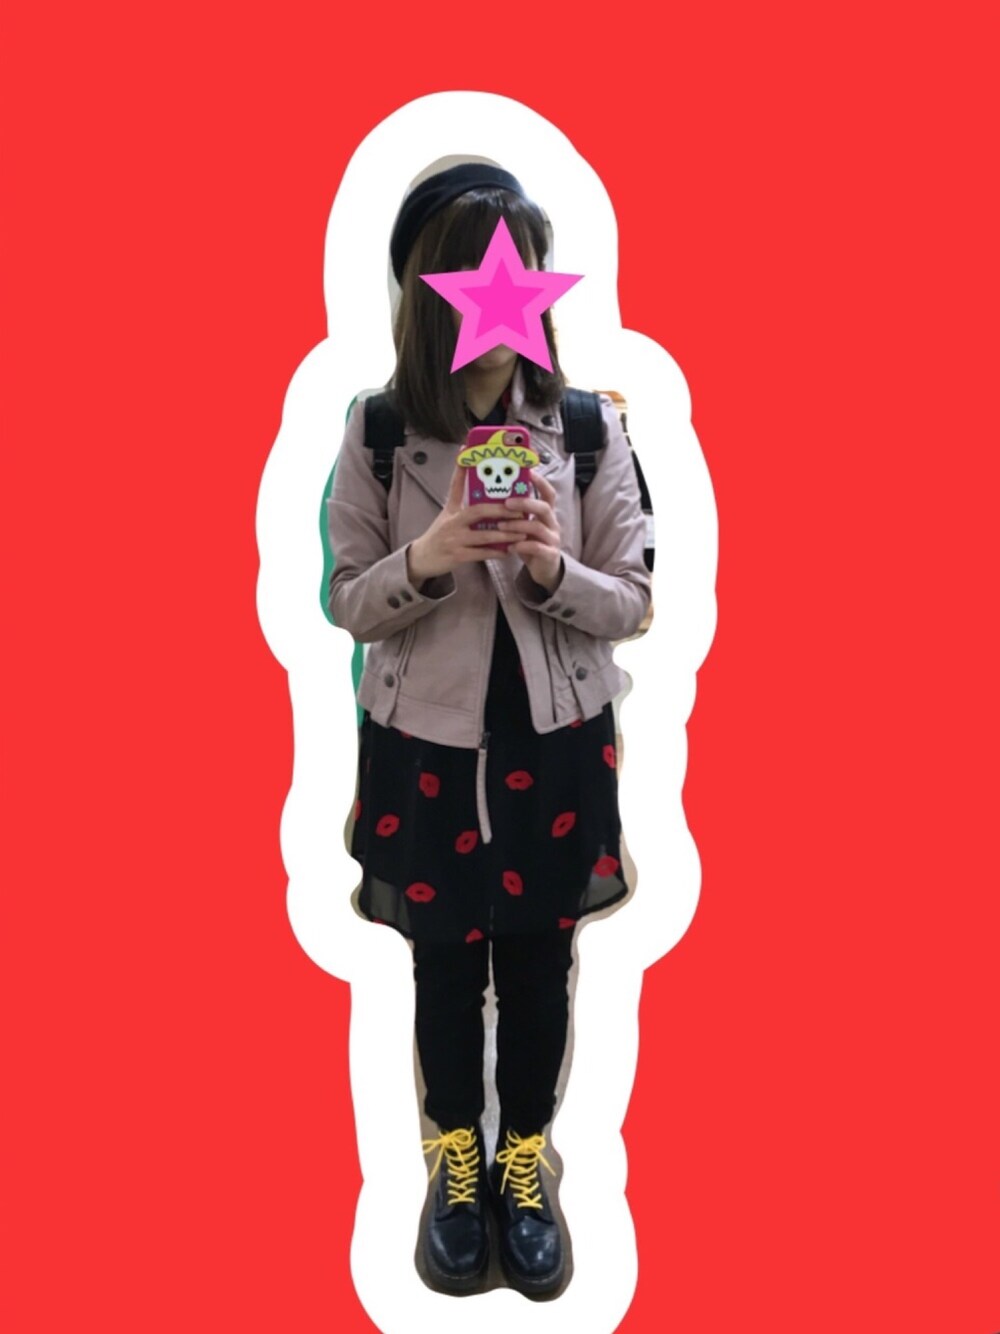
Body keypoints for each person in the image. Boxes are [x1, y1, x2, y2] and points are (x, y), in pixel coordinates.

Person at [325, 162, 652, 1298]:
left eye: (521, 271)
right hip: (425, 748)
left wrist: (551, 567)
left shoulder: (589, 429)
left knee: (540, 964)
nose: (503, 301)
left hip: (556, 745)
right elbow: (348, 601)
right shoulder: (378, 433)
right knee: (445, 964)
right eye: (475, 274)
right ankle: (454, 1159)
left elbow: (633, 602)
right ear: (429, 293)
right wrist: (427, 558)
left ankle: (526, 1162)